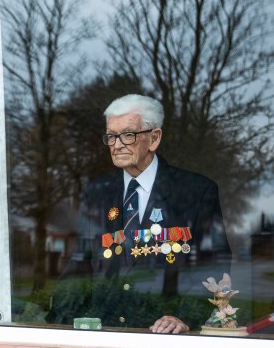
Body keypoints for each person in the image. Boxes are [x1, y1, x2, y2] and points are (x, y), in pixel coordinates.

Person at [51, 94, 230, 333]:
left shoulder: (196, 191)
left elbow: (213, 266)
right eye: (111, 136)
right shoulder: (96, 192)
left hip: (164, 337)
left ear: (154, 138)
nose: (116, 144)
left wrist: (184, 316)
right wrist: (57, 325)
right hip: (105, 334)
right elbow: (79, 265)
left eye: (128, 134)